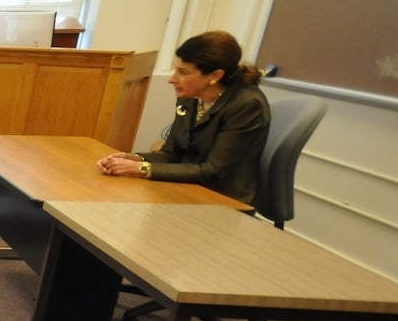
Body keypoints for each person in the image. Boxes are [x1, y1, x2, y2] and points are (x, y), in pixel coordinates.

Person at [96, 30, 271, 204]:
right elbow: (172, 154)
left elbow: (213, 171)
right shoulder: (190, 96)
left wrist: (141, 169)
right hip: (185, 187)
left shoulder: (247, 105)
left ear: (215, 76)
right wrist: (134, 159)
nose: (172, 79)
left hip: (221, 200)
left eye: (183, 72)